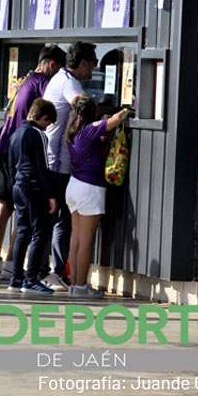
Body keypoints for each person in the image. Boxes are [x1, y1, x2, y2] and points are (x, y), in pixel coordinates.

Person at [0, 45, 67, 282]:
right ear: (52, 65)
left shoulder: (24, 81)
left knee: (4, 208)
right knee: (25, 210)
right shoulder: (43, 83)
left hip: (6, 148)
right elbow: (54, 108)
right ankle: (13, 264)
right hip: (23, 154)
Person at [41, 42, 95, 290]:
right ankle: (56, 271)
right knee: (62, 220)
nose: (93, 72)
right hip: (58, 163)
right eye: (92, 65)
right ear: (83, 63)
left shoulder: (58, 77)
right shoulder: (70, 83)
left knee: (53, 219)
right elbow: (81, 104)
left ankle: (45, 271)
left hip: (51, 159)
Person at [65, 99, 130, 298]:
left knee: (75, 241)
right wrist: (128, 108)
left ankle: (74, 285)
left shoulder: (73, 132)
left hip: (74, 186)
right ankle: (82, 286)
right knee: (86, 242)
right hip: (90, 188)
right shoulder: (90, 129)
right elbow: (117, 119)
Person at [6, 98, 58, 294]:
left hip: (18, 185)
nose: (47, 127)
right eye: (48, 123)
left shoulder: (16, 133)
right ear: (43, 118)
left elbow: (10, 163)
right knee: (40, 232)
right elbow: (43, 166)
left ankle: (16, 278)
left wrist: (16, 183)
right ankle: (31, 278)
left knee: (22, 231)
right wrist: (51, 194)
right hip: (34, 187)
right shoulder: (38, 134)